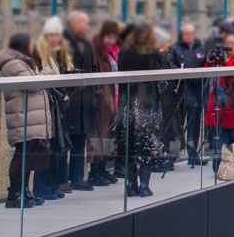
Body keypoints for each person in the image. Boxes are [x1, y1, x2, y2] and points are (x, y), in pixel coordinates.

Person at [0, 34, 51, 208]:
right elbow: (33, 84)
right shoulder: (12, 64)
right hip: (22, 115)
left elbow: (36, 80)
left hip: (31, 116)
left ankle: (25, 189)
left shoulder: (24, 62)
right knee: (22, 155)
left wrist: (38, 74)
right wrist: (45, 73)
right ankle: (14, 193)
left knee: (30, 155)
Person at [117, 25, 168, 197]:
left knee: (129, 143)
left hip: (128, 103)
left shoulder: (123, 53)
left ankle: (131, 184)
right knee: (147, 143)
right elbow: (162, 80)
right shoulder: (154, 55)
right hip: (147, 103)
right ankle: (145, 185)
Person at [33, 17, 73, 199]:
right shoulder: (39, 53)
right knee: (45, 148)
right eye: (52, 35)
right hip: (44, 107)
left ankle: (52, 185)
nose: (55, 38)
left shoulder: (59, 55)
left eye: (58, 35)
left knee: (56, 147)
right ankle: (42, 188)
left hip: (57, 108)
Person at [205, 31, 234, 174]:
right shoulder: (218, 60)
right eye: (227, 43)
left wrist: (226, 61)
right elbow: (206, 74)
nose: (229, 46)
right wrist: (210, 60)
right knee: (218, 142)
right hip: (218, 106)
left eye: (232, 43)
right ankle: (219, 170)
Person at [62, 11, 96, 191]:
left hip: (86, 100)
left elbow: (93, 67)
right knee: (65, 140)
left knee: (80, 140)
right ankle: (63, 179)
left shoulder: (87, 43)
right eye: (84, 23)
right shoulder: (63, 42)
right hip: (70, 100)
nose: (87, 27)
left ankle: (77, 177)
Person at [167, 23, 206, 168]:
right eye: (186, 33)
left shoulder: (201, 47)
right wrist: (185, 73)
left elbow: (207, 64)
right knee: (176, 126)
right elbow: (170, 65)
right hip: (180, 93)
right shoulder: (175, 48)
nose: (189, 36)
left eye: (191, 33)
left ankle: (192, 154)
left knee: (194, 125)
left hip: (196, 91)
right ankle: (172, 156)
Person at [87, 20, 121, 186]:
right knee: (98, 137)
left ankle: (103, 169)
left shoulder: (112, 53)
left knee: (107, 137)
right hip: (101, 101)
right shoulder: (97, 51)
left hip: (112, 100)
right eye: (109, 37)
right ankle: (95, 171)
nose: (112, 40)